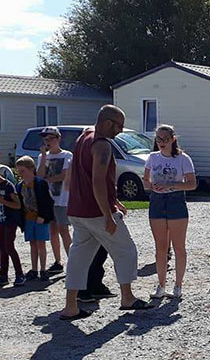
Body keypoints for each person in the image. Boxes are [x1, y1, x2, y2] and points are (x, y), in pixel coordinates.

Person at [59, 105, 150, 319]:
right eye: (119, 126)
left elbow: (83, 174)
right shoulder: (102, 146)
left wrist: (114, 199)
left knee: (78, 257)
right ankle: (127, 298)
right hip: (96, 212)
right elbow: (98, 181)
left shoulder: (83, 137)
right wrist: (108, 215)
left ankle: (70, 305)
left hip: (77, 210)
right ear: (108, 122)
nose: (120, 131)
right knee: (125, 251)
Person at [143, 124, 196, 300]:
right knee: (160, 247)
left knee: (178, 247)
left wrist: (170, 185)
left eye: (165, 139)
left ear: (173, 139)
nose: (161, 142)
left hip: (176, 201)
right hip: (157, 202)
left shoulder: (183, 159)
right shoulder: (152, 157)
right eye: (158, 139)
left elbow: (191, 183)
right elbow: (145, 180)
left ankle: (178, 285)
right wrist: (152, 186)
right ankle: (161, 285)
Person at [37, 126, 72, 274]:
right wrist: (44, 156)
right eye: (46, 139)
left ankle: (72, 260)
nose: (48, 141)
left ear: (58, 139)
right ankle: (58, 261)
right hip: (48, 198)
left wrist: (47, 178)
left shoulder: (67, 155)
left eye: (51, 138)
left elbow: (64, 175)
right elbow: (39, 176)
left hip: (62, 198)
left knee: (64, 229)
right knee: (53, 230)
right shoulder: (41, 157)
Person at [15, 156, 55, 281]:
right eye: (19, 171)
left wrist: (43, 216)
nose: (21, 174)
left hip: (40, 218)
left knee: (41, 244)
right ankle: (34, 269)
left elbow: (47, 202)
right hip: (28, 218)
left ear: (31, 169)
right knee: (32, 244)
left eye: (23, 171)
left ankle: (43, 269)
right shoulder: (20, 185)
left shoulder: (40, 183)